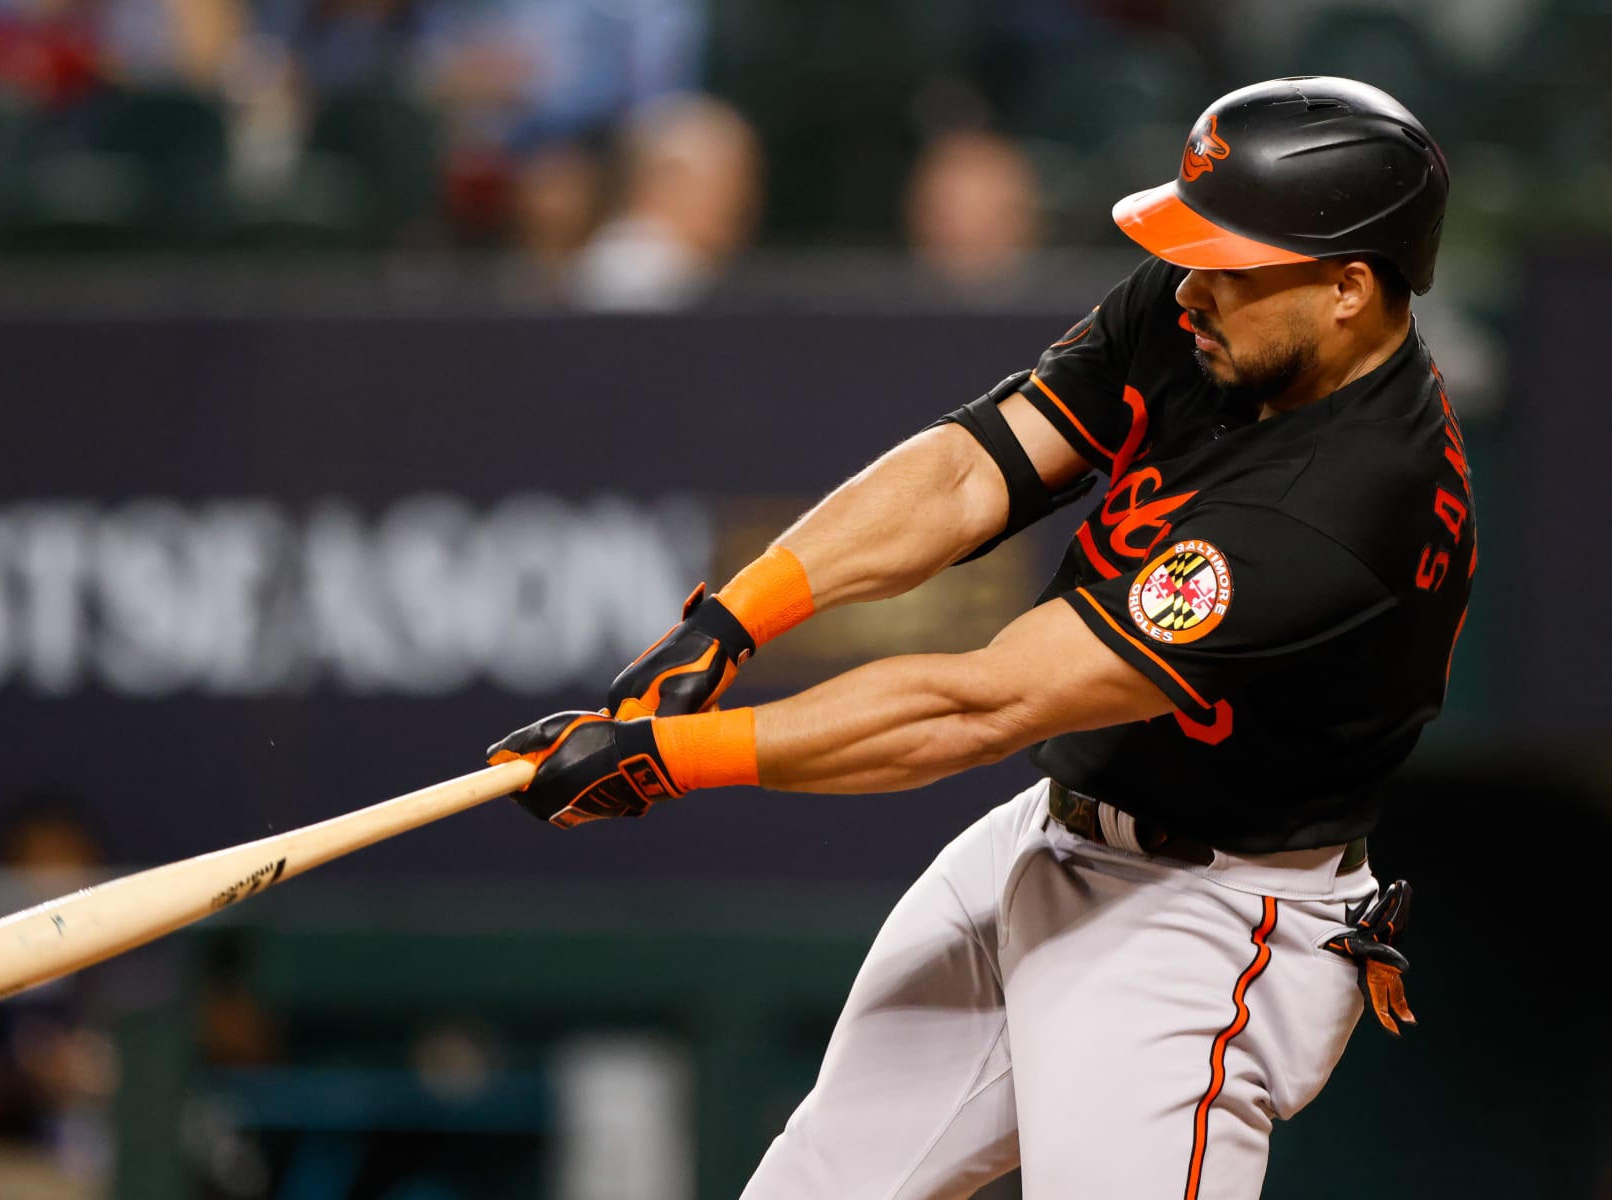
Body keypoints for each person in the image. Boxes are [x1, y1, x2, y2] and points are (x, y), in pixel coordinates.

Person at [486, 75, 1469, 1198]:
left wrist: (675, 758)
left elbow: (981, 705)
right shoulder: (1220, 316)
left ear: (1349, 288)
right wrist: (729, 621)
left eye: (1230, 262)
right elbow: (972, 468)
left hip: (1206, 925)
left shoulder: (1343, 507)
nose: (1190, 283)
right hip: (1055, 841)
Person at [569, 90, 760, 311]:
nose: (745, 200)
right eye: (732, 179)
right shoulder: (639, 275)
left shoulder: (683, 272)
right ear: (670, 179)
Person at [902, 126, 1041, 301]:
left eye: (978, 214)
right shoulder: (882, 308)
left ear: (1019, 219)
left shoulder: (1064, 312)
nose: (960, 229)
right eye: (944, 212)